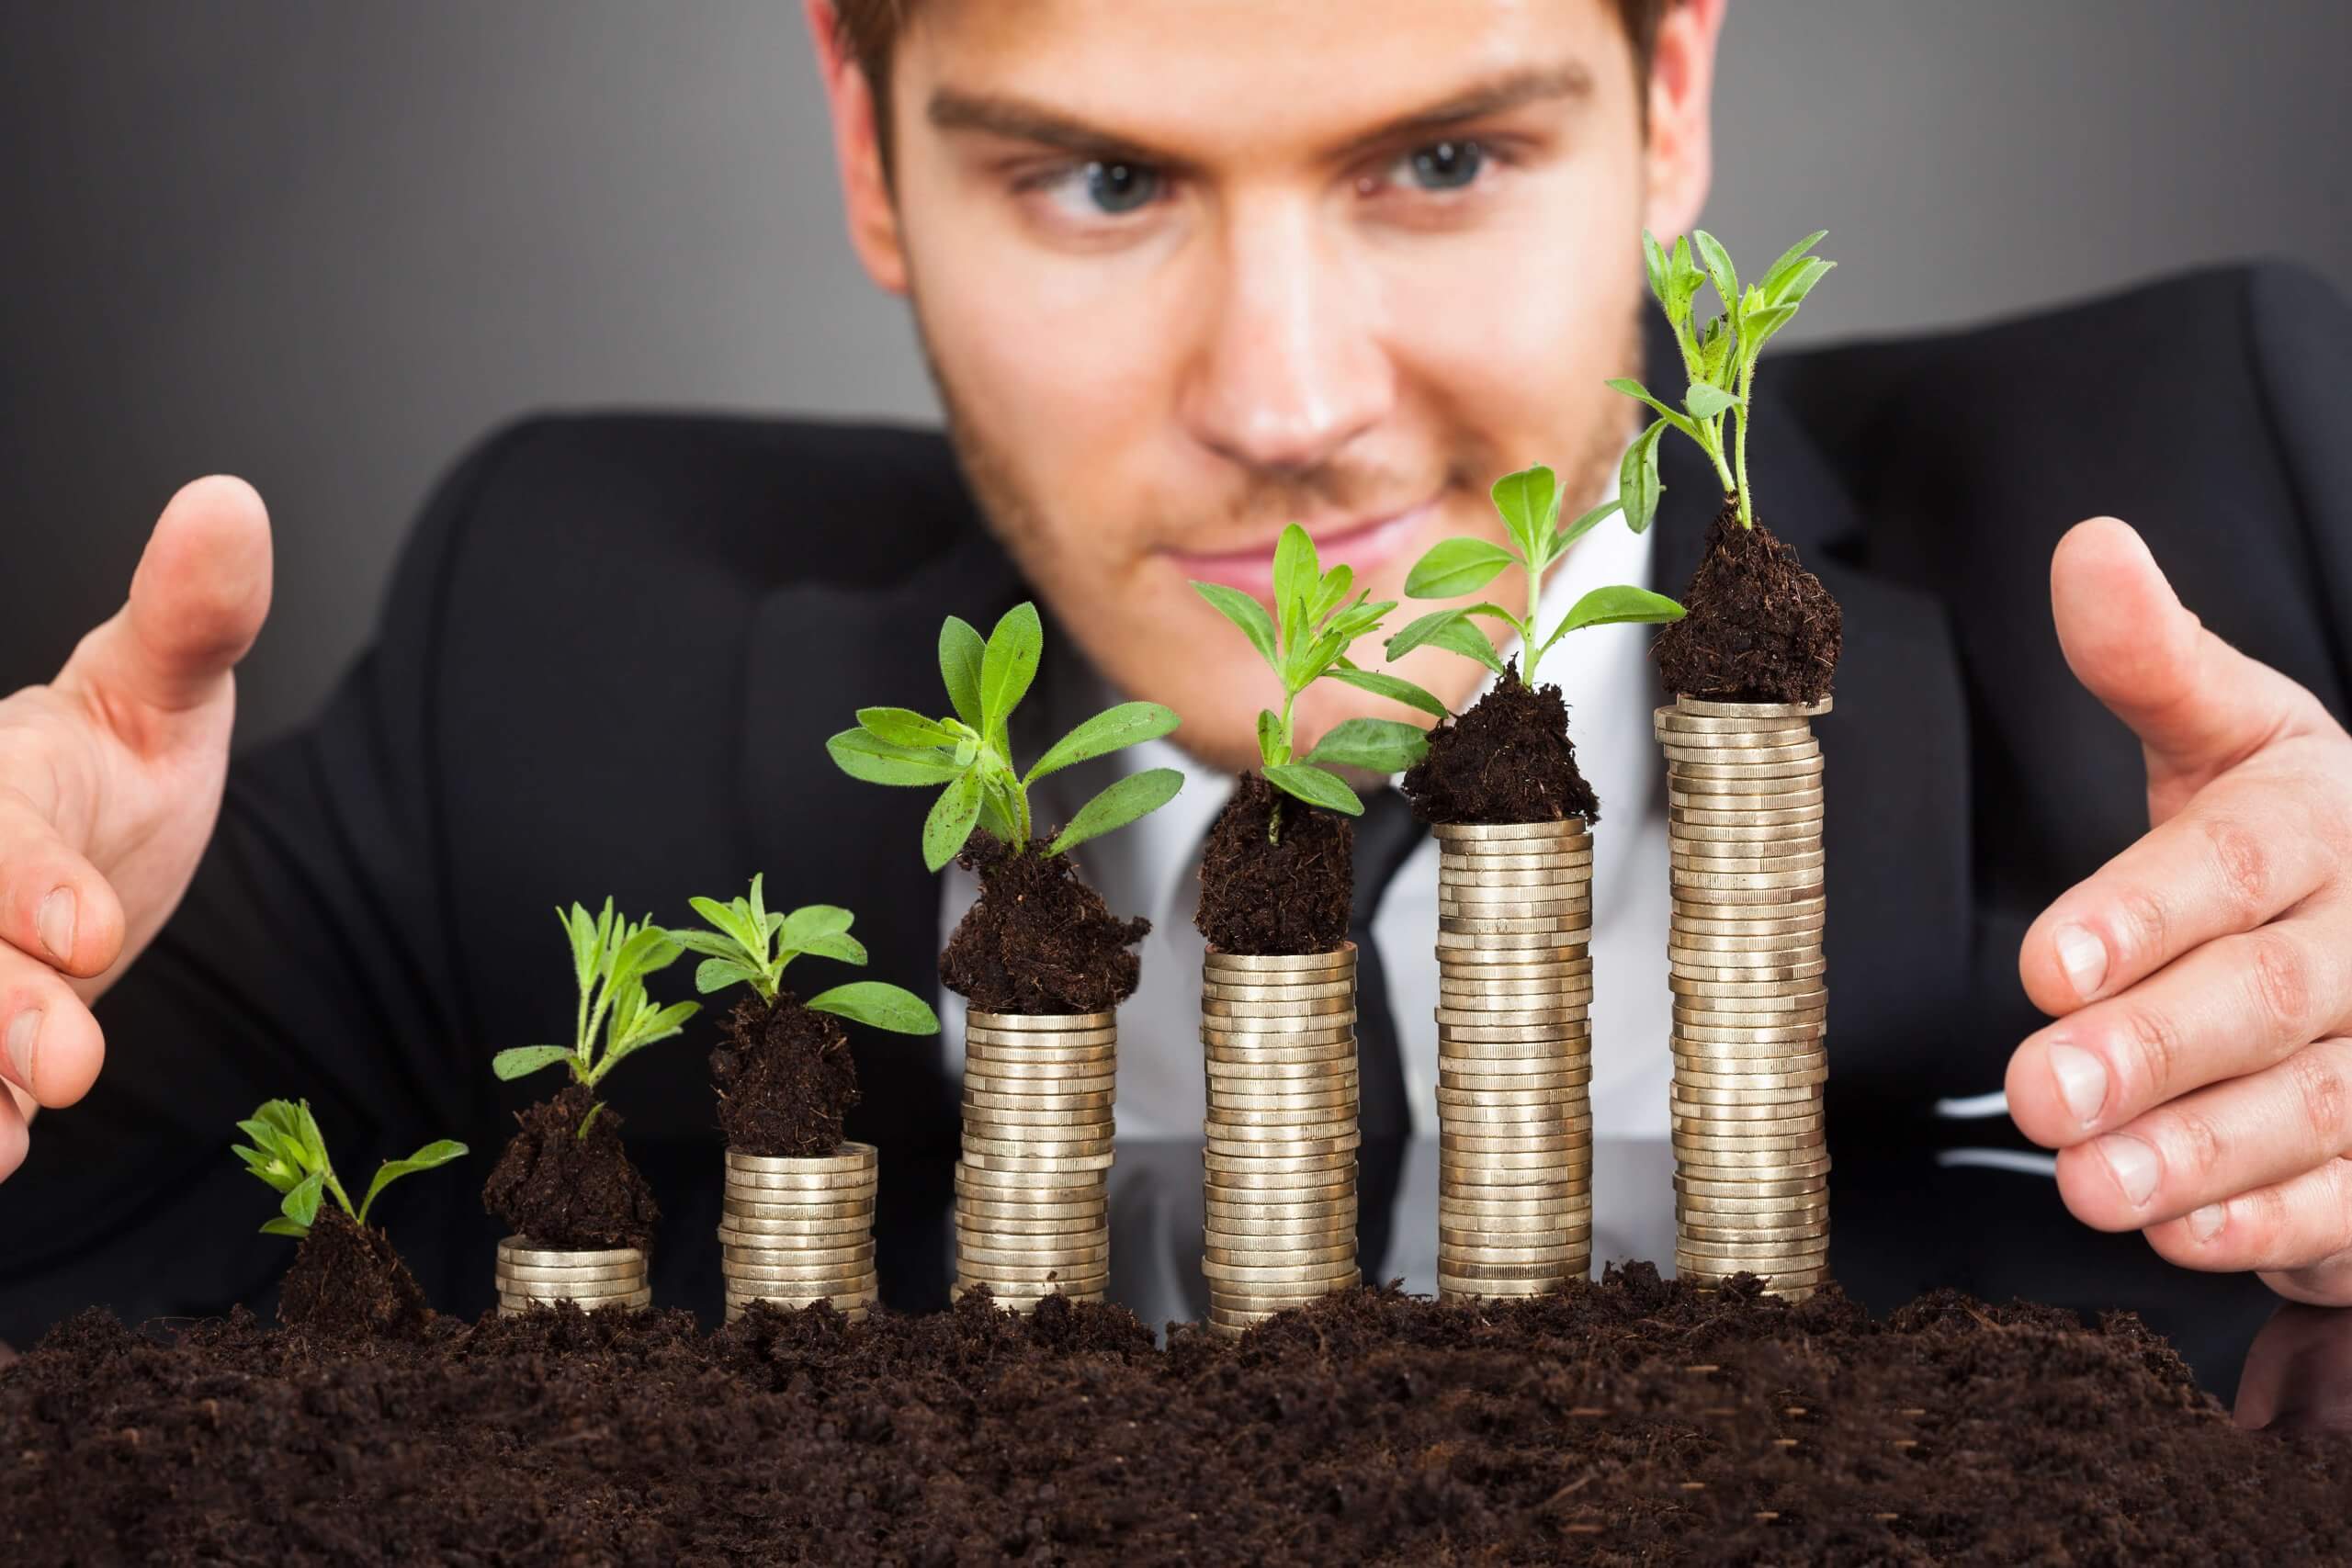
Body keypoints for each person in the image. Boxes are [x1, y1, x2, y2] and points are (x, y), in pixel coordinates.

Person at [2, 0, 2348, 1339]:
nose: (1288, 396)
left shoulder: (2249, 484)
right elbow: (90, 1236)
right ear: (864, 140)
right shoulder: (549, 638)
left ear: (1667, 105)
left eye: (1436, 155)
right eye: (1104, 185)